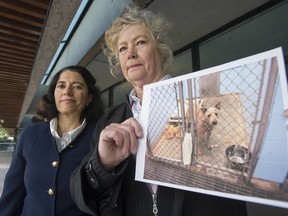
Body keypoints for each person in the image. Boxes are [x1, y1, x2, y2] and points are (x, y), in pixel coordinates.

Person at [70, 3, 248, 216]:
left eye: (140, 42)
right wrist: (101, 165)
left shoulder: (197, 101)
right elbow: (81, 194)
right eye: (123, 48)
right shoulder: (110, 120)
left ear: (160, 49)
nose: (131, 54)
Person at [0, 66, 104, 216]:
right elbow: (13, 192)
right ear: (54, 94)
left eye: (77, 87)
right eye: (61, 86)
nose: (67, 92)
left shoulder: (101, 137)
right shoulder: (29, 135)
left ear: (89, 98)